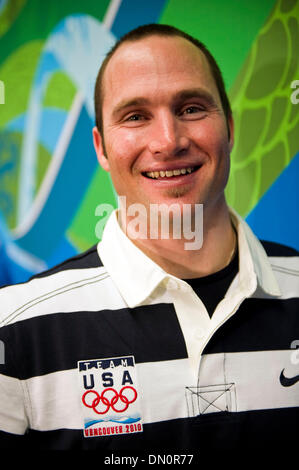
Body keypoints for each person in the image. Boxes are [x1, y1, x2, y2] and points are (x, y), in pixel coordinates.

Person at [0, 24, 298, 454]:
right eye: (136, 116)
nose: (168, 141)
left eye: (192, 108)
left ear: (230, 128)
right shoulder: (14, 328)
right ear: (101, 149)